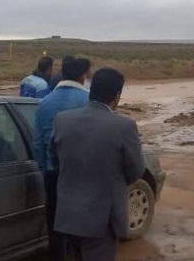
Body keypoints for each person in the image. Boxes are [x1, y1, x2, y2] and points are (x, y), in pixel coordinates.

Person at [50, 68, 145, 261]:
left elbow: (55, 160)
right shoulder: (124, 127)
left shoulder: (62, 120)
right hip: (101, 222)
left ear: (91, 89)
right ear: (117, 95)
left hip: (68, 217)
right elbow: (136, 170)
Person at [34, 56, 92, 261]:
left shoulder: (44, 103)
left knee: (55, 227)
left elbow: (38, 143)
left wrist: (45, 171)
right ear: (82, 76)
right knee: (82, 229)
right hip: (81, 176)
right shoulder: (88, 100)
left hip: (52, 174)